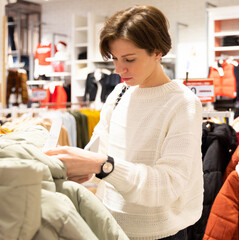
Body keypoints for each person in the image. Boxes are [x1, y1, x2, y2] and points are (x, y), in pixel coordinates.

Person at [45, 5, 204, 240]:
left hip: (161, 233)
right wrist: (78, 167)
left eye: (129, 59)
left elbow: (168, 185)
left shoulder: (183, 103)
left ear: (157, 51)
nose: (119, 69)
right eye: (114, 59)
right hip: (110, 226)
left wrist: (102, 165)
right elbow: (100, 150)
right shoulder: (119, 93)